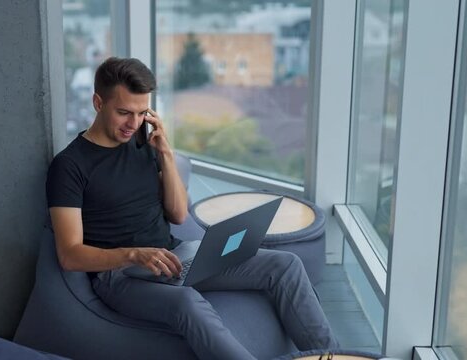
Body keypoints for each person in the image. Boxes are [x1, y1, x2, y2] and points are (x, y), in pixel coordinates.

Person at [46, 57, 339, 360]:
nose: (133, 124)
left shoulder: (141, 143)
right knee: (187, 302)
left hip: (175, 255)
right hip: (119, 277)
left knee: (286, 265)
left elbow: (177, 214)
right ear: (97, 102)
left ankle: (334, 357)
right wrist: (133, 254)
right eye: (123, 113)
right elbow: (69, 255)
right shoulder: (69, 166)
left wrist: (165, 154)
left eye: (141, 113)